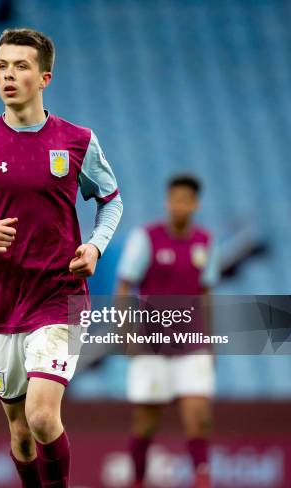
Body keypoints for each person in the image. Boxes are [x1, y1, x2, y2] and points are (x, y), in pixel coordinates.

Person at [0, 28, 123, 488]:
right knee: (20, 435)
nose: (8, 75)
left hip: (58, 298)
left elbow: (111, 200)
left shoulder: (78, 141)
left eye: (20, 66)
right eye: (1, 66)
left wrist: (95, 245)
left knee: (41, 416)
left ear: (45, 78)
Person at [117, 174, 219, 488]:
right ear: (167, 200)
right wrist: (126, 333)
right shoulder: (145, 238)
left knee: (198, 416)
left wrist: (211, 342)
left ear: (195, 204)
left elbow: (205, 294)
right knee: (146, 424)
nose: (179, 205)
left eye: (186, 200)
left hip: (192, 343)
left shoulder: (205, 242)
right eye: (174, 198)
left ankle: (202, 480)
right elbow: (124, 287)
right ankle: (137, 480)